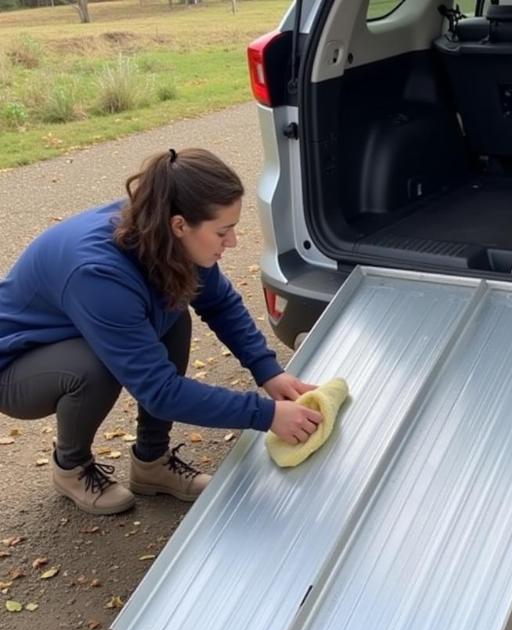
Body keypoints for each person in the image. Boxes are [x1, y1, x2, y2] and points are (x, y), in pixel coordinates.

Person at [0, 147, 322, 516]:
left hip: (73, 332)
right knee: (93, 367)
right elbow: (160, 391)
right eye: (223, 231)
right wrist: (265, 415)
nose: (231, 242)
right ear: (181, 225)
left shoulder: (165, 233)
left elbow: (218, 303)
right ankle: (71, 467)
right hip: (15, 365)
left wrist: (268, 371)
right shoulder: (98, 276)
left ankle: (151, 464)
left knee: (172, 312)